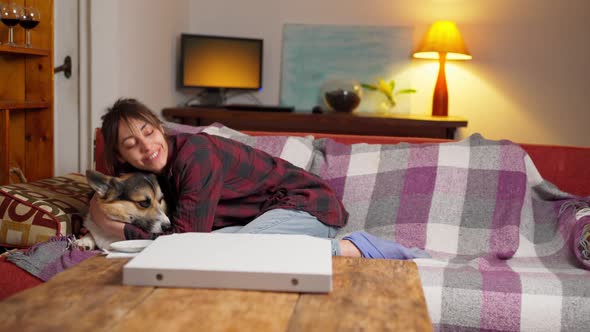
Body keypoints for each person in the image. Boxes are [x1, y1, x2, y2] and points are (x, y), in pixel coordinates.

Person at [89, 98, 428, 259]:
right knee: (216, 250)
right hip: (267, 218)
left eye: (149, 132)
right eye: (132, 144)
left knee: (234, 252)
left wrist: (119, 230)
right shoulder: (142, 177)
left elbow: (186, 238)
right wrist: (100, 210)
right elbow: (107, 196)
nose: (147, 147)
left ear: (161, 128)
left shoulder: (195, 155)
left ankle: (360, 247)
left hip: (306, 207)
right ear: (121, 155)